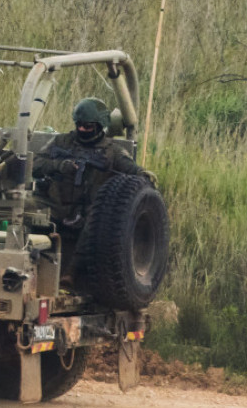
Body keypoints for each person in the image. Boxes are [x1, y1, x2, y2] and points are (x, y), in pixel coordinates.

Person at [32, 97, 156, 282]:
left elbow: (133, 171)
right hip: (55, 203)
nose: (82, 129)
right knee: (24, 206)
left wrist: (145, 175)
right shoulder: (62, 142)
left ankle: (71, 272)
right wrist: (59, 165)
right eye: (79, 125)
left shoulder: (111, 152)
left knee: (96, 222)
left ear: (100, 126)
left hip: (89, 209)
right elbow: (35, 163)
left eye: (88, 126)